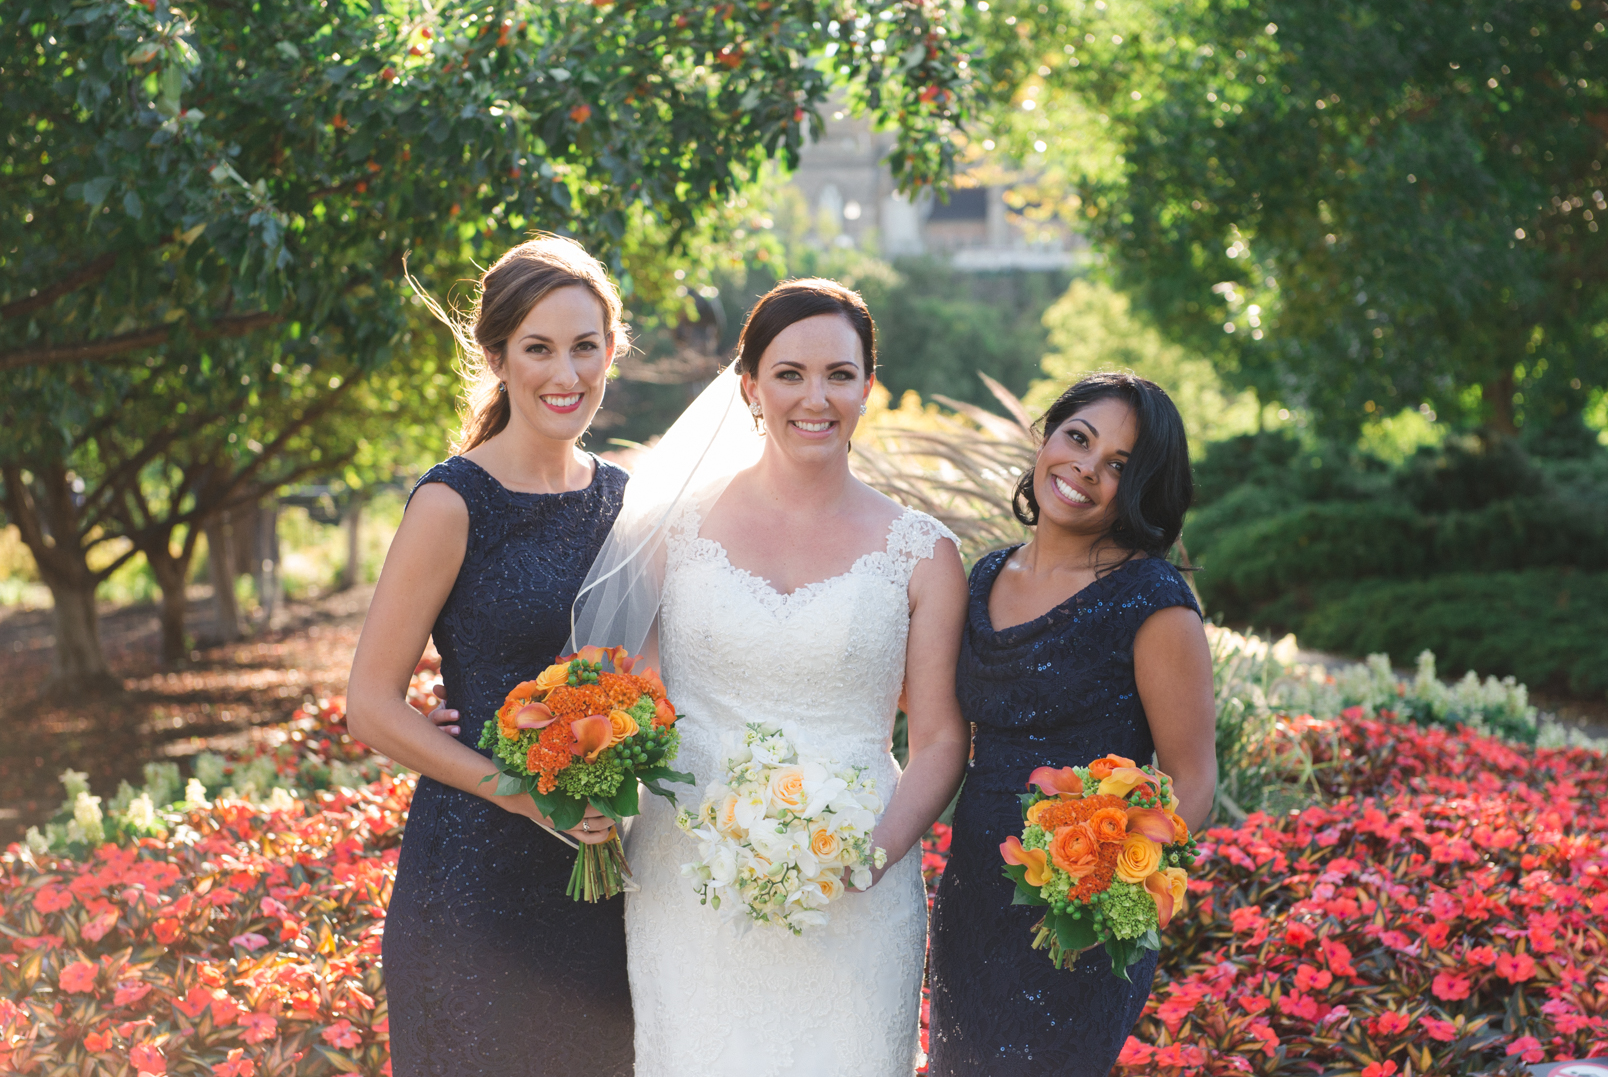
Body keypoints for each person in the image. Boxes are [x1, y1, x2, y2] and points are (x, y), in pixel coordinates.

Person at [573, 278, 970, 1076]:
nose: (814, 397)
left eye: (839, 374)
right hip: (689, 881)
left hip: (857, 883)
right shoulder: (671, 527)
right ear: (749, 386)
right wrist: (586, 786)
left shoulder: (923, 552)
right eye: (789, 373)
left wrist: (875, 852)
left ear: (868, 385)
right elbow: (613, 695)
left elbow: (938, 741)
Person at [345, 236, 635, 1077]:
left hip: (595, 869)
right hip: (472, 875)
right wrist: (519, 795)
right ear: (497, 355)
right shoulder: (452, 500)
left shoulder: (625, 502)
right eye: (539, 348)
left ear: (612, 350)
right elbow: (370, 702)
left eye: (586, 347)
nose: (566, 374)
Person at [926, 372, 1218, 1075]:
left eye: (1120, 464)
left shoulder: (1154, 601)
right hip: (973, 898)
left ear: (1144, 487)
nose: (1087, 467)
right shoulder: (983, 576)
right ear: (1048, 437)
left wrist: (1114, 890)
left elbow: (1194, 777)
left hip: (1078, 921)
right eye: (1078, 438)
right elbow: (941, 722)